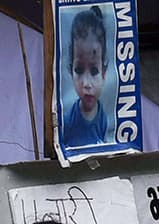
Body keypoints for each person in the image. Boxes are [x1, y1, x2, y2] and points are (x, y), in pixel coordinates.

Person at [62, 6, 110, 147]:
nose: (86, 83)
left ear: (104, 72)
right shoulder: (68, 121)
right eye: (79, 70)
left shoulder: (103, 117)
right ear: (71, 71)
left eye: (94, 71)